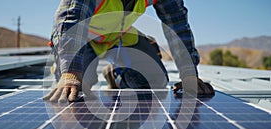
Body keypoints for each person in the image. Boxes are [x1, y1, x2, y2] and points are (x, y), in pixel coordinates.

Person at [43, 0, 215, 103]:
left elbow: (177, 26)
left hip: (120, 35)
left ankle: (116, 75)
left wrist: (189, 74)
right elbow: (72, 18)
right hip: (82, 39)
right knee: (74, 91)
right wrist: (71, 72)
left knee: (154, 80)